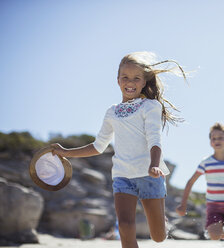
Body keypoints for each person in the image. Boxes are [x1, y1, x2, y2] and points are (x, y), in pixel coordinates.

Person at [51, 51, 186, 248]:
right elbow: (98, 146)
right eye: (125, 77)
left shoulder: (150, 106)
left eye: (136, 78)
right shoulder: (112, 112)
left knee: (158, 236)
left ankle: (161, 220)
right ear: (117, 80)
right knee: (124, 226)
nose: (130, 82)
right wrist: (65, 152)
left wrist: (155, 166)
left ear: (143, 82)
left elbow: (154, 139)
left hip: (150, 175)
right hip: (122, 175)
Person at [176, 123, 224, 248]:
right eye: (213, 138)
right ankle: (219, 230)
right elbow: (190, 182)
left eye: (220, 138)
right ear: (210, 142)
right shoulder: (206, 163)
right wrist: (183, 204)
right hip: (213, 206)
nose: (217, 140)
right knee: (214, 236)